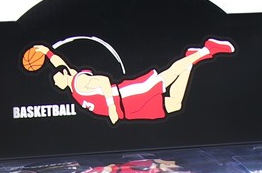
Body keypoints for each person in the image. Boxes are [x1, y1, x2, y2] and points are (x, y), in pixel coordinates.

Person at [32, 38, 235, 123]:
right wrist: (46, 52)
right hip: (128, 110)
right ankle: (190, 60)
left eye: (57, 78)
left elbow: (103, 81)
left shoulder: (79, 81)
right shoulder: (72, 81)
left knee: (167, 76)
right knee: (174, 104)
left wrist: (111, 108)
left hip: (127, 96)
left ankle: (208, 49)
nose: (55, 81)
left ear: (65, 76)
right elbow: (59, 62)